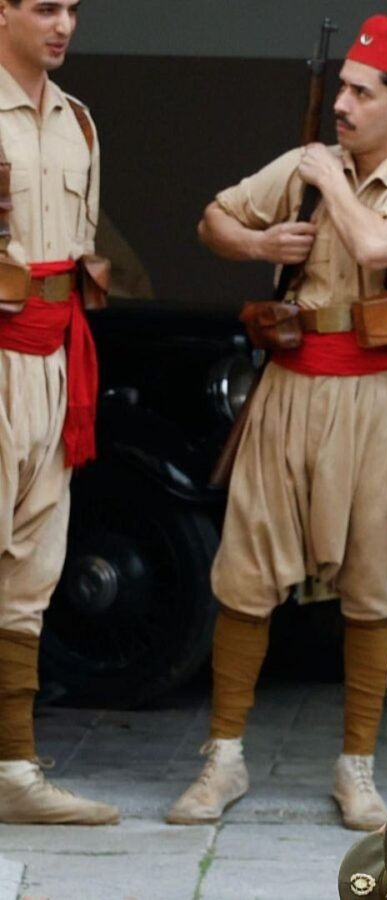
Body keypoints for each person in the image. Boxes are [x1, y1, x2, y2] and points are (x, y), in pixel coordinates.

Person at [168, 11, 387, 831]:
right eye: (340, 87)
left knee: (374, 586)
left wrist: (332, 181)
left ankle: (356, 770)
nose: (341, 104)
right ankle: (222, 758)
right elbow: (212, 220)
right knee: (246, 572)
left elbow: (377, 249)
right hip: (290, 387)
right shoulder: (306, 169)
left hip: (375, 399)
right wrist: (262, 238)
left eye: (361, 93)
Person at [0, 0, 118, 825]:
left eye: (73, 9)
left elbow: (75, 254)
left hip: (51, 358)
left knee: (32, 571)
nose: (65, 23)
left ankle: (14, 771)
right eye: (46, 6)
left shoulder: (78, 121)